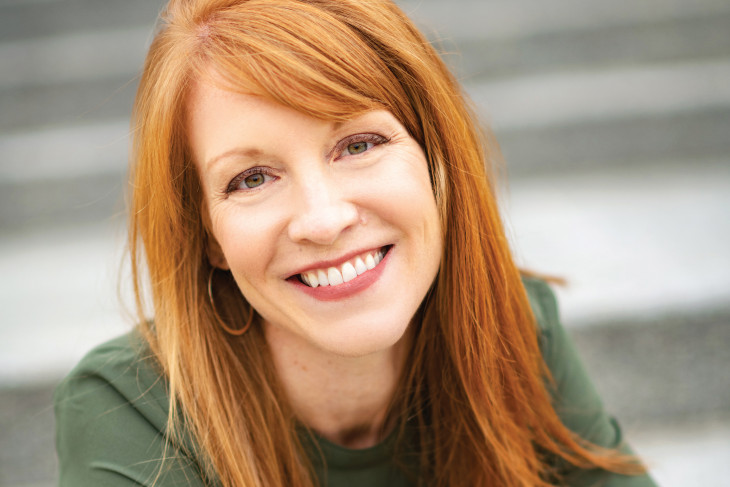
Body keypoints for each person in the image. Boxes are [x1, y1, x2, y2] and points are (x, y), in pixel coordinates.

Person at [54, 0, 657, 486]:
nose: (323, 219)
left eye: (360, 144)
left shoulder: (512, 325)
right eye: (252, 179)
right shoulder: (127, 412)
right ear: (207, 237)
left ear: (435, 161)